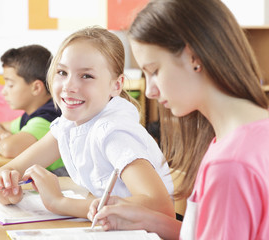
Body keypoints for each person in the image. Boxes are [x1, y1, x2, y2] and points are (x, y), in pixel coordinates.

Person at [87, 0, 269, 239]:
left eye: (154, 71)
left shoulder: (229, 164)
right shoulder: (251, 133)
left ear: (193, 57)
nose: (150, 90)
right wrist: (149, 220)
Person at [0, 26, 175, 219]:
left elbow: (160, 207)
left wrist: (60, 203)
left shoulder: (113, 132)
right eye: (62, 72)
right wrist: (3, 184)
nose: (69, 86)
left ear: (116, 85)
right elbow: (9, 170)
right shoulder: (68, 125)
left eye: (86, 76)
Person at [0, 45, 66, 175]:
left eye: (10, 85)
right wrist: (2, 137)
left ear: (36, 88)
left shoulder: (48, 118)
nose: (4, 91)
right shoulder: (30, 116)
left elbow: (8, 148)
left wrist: (4, 141)